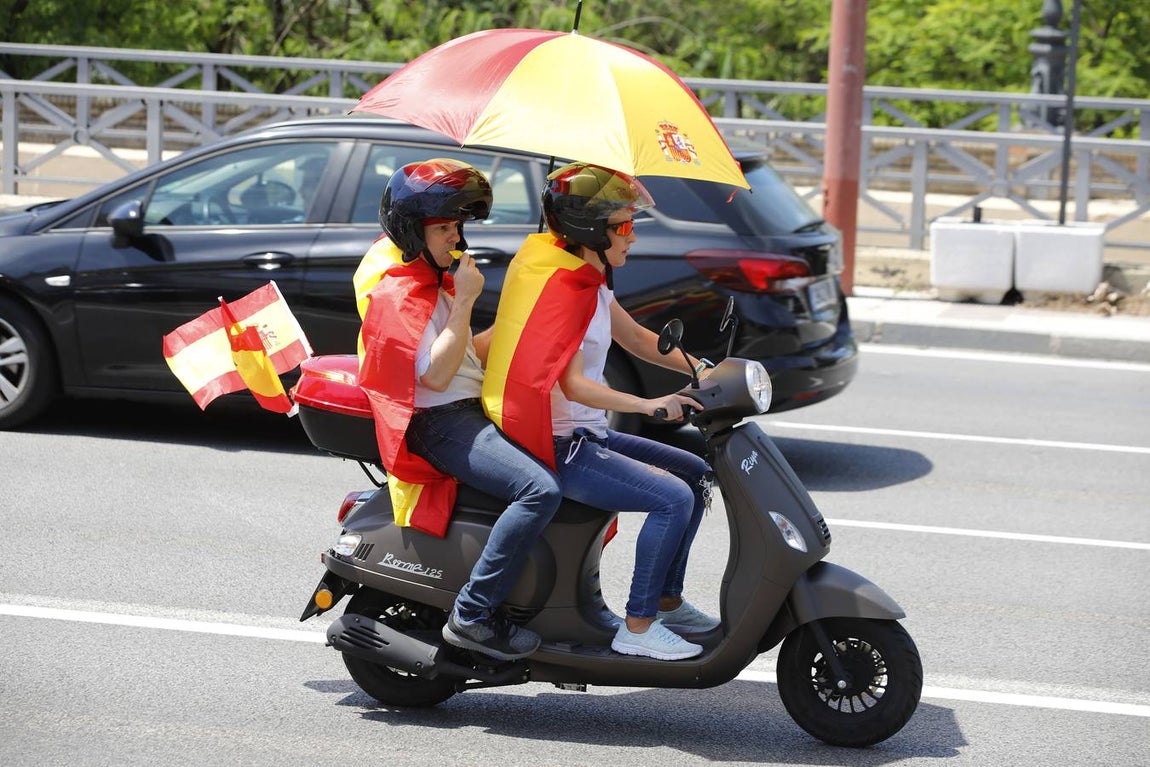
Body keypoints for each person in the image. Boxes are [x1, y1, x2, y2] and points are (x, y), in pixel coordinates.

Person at [482, 161, 719, 662]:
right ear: (590, 230)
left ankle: (667, 602)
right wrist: (647, 404)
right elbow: (571, 383)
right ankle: (637, 625)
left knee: (696, 473)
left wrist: (705, 371)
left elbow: (636, 339)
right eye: (624, 227)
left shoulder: (589, 280)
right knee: (672, 497)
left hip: (589, 436)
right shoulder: (562, 290)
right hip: (562, 445)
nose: (632, 238)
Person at [355, 158, 562, 662]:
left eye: (458, 226)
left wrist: (523, 311)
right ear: (412, 230)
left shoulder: (439, 282)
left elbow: (468, 355)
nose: (455, 236)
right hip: (439, 422)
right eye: (444, 227)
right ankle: (472, 614)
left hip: (467, 408)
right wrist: (467, 300)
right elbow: (436, 376)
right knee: (540, 490)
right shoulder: (399, 292)